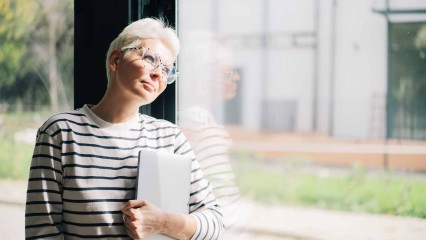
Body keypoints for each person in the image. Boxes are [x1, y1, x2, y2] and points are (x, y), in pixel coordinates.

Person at [25, 18, 224, 239]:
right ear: (116, 59)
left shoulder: (170, 137)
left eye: (167, 70)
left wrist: (162, 222)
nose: (159, 74)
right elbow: (41, 232)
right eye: (150, 58)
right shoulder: (60, 132)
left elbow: (214, 222)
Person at [178, 31, 251, 238]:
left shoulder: (198, 120)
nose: (236, 77)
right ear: (201, 83)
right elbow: (222, 200)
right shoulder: (199, 123)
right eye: (227, 73)